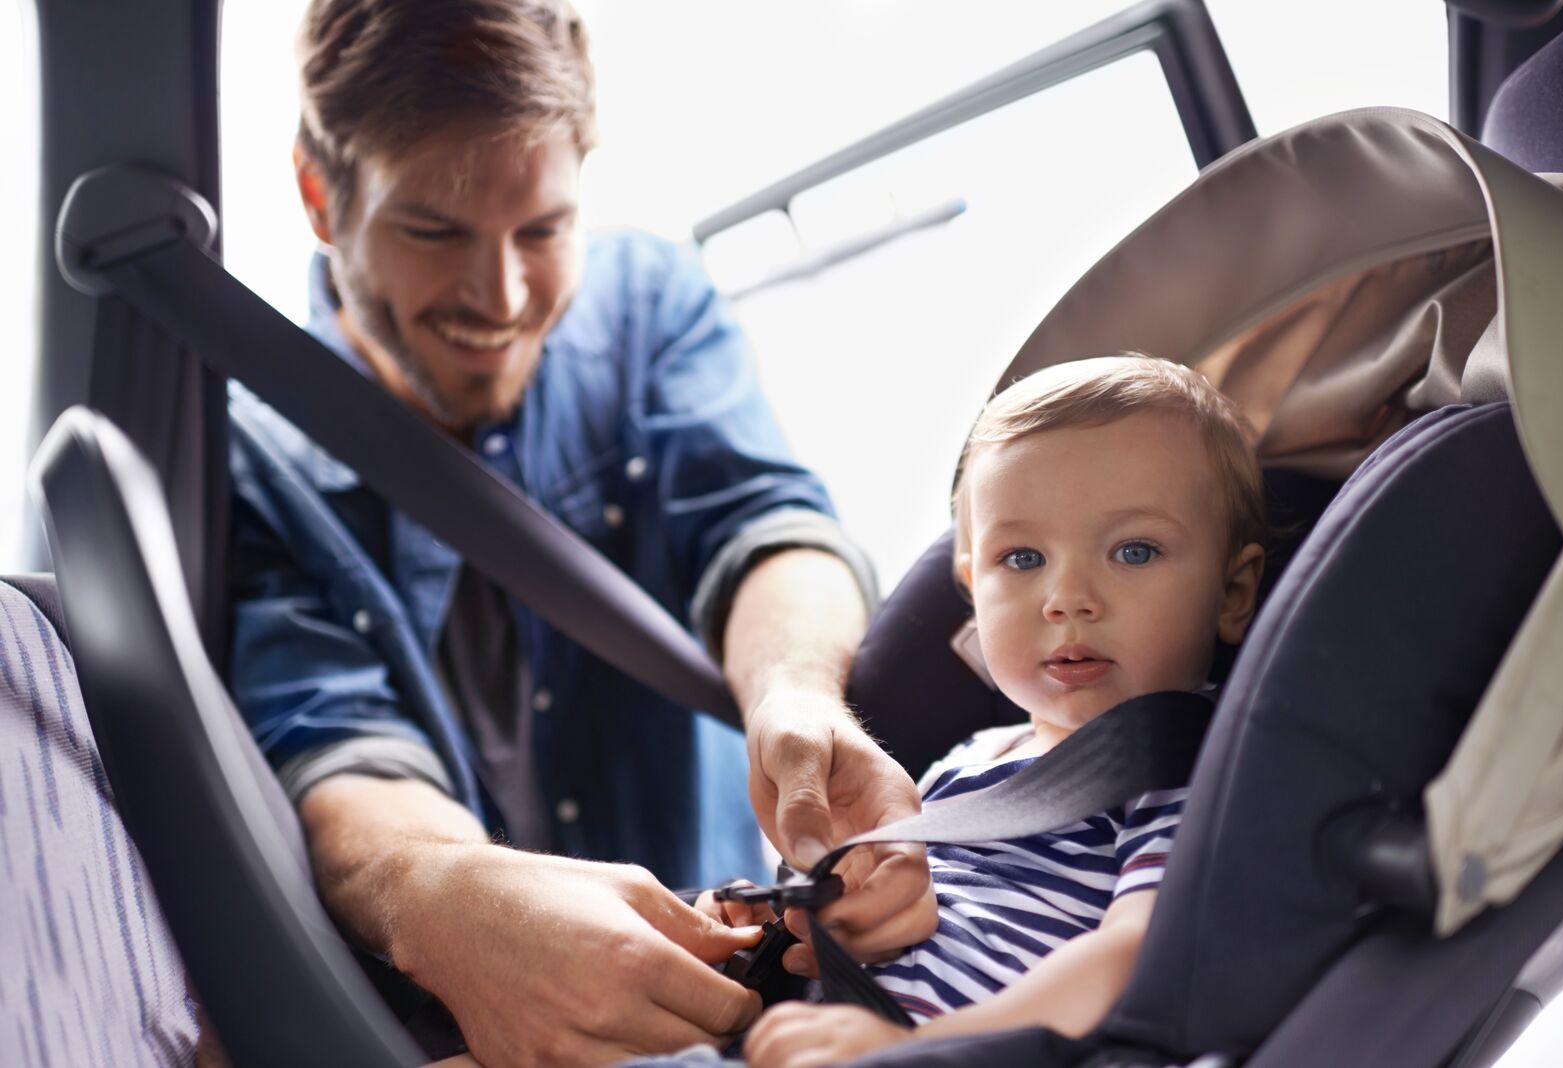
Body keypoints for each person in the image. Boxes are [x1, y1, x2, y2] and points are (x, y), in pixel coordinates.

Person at [225, 1, 934, 1063]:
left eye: (544, 231)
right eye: (435, 230)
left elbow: (767, 525)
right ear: (321, 198)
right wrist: (456, 906)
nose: (501, 295)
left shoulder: (651, 304)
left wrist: (795, 695)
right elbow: (335, 746)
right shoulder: (249, 458)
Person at [733, 355, 1268, 1068]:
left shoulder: (1189, 769)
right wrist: (798, 918)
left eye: (1133, 551)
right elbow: (906, 917)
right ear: (971, 590)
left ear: (1233, 592)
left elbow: (1136, 956)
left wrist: (918, 1050)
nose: (1067, 597)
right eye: (1021, 559)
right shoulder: (967, 762)